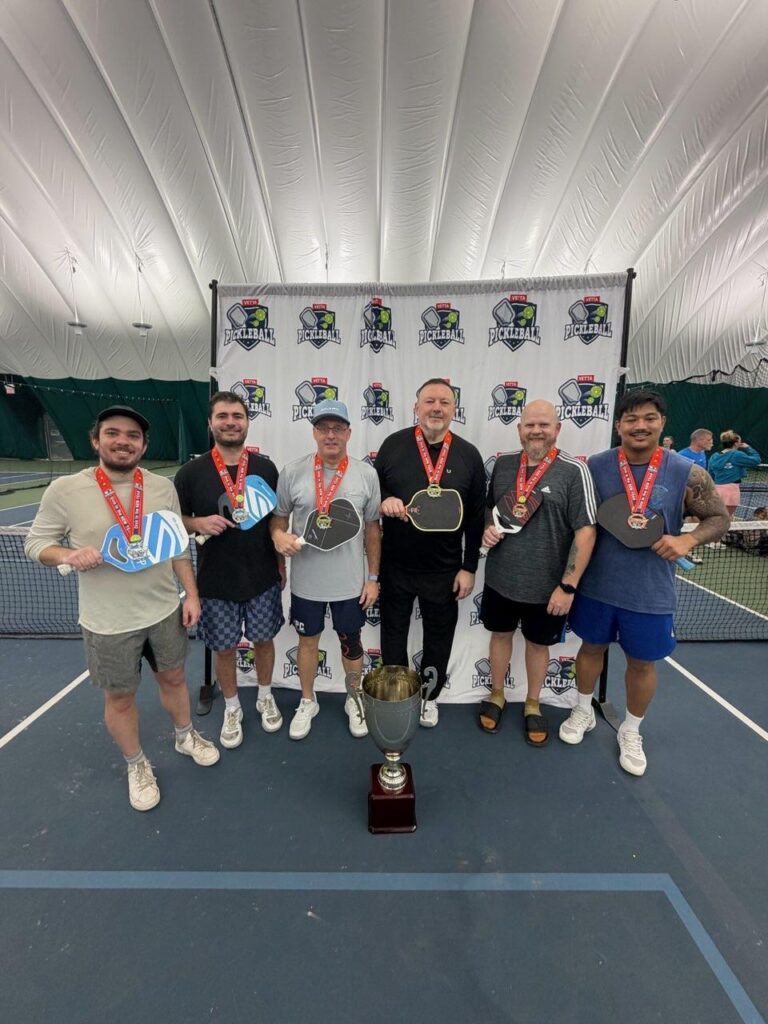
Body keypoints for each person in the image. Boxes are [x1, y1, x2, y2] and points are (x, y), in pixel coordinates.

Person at [24, 406, 219, 812]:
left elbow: (176, 546)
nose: (123, 442)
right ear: (96, 440)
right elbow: (36, 544)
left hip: (164, 611)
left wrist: (191, 595)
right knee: (121, 699)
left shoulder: (161, 488)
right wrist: (69, 554)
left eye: (133, 436)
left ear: (143, 446)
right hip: (108, 622)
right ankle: (136, 764)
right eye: (113, 433)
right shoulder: (65, 490)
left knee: (174, 679)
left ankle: (185, 735)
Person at [559, 389, 730, 776]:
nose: (640, 426)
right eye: (631, 419)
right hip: (597, 587)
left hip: (651, 593)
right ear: (618, 424)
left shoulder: (687, 472)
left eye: (649, 418)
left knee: (641, 664)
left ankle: (631, 730)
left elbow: (719, 518)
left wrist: (688, 540)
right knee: (590, 649)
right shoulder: (595, 467)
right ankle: (582, 710)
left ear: (662, 423)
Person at [478, 400, 597, 744]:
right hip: (500, 578)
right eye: (529, 425)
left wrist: (568, 586)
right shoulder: (504, 464)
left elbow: (586, 531)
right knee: (499, 636)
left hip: (548, 587)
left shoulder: (574, 471)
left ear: (557, 428)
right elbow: (489, 510)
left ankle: (533, 703)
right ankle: (496, 695)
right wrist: (487, 528)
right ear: (520, 429)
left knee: (537, 645)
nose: (536, 431)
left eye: (544, 425)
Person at [174, 391, 285, 750]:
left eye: (237, 416)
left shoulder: (266, 468)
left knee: (264, 641)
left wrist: (281, 563)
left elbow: (276, 520)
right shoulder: (190, 473)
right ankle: (233, 707)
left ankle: (265, 696)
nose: (230, 422)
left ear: (247, 422)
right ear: (210, 423)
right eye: (222, 416)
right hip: (215, 581)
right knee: (224, 649)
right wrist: (197, 523)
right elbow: (176, 522)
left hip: (262, 577)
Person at [375, 378, 485, 727]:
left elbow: (476, 517)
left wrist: (469, 567)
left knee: (439, 637)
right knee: (393, 634)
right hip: (396, 565)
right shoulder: (392, 446)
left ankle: (429, 696)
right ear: (416, 407)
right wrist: (384, 500)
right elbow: (372, 494)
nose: (437, 408)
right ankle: (395, 694)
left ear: (454, 410)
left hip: (444, 569)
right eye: (429, 401)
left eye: (444, 402)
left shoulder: (468, 455)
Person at [270, 400, 381, 740]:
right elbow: (278, 519)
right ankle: (308, 700)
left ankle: (354, 698)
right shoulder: (292, 472)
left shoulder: (366, 474)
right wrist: (278, 537)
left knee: (352, 643)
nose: (330, 435)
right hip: (307, 582)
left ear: (349, 433)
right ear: (314, 433)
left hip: (350, 583)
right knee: (307, 642)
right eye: (323, 428)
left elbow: (373, 529)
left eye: (337, 428)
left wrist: (373, 578)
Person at [707, 431, 761, 516]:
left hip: (716, 490)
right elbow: (756, 460)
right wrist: (748, 448)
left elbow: (710, 473)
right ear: (735, 443)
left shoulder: (714, 456)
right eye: (739, 442)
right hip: (731, 491)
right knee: (727, 517)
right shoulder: (737, 455)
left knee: (718, 517)